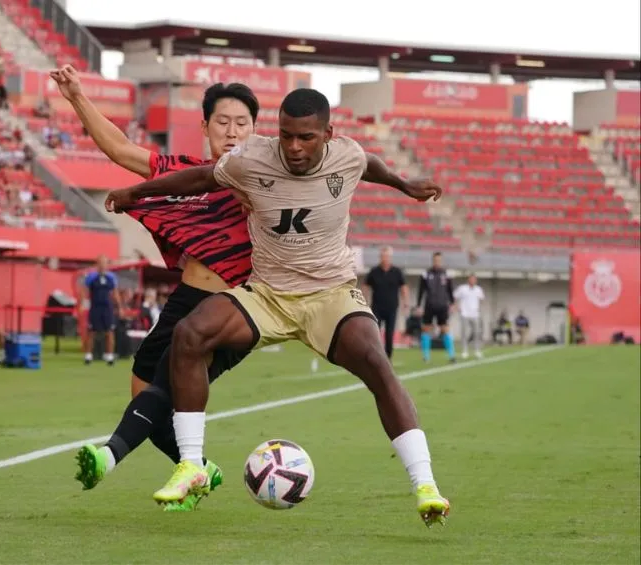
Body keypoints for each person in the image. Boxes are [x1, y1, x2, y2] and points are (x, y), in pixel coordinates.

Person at [105, 88, 450, 526]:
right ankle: (191, 465)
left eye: (305, 138)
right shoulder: (253, 158)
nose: (293, 147)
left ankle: (425, 485)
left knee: (376, 363)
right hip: (267, 293)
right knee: (189, 335)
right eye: (286, 135)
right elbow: (198, 179)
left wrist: (404, 184)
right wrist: (138, 193)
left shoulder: (348, 156)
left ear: (328, 134)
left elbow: (370, 167)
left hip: (329, 293)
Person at [49, 64, 257, 510]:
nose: (232, 131)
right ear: (205, 126)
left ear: (256, 131)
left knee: (167, 383)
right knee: (144, 389)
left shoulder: (266, 182)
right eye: (223, 122)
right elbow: (122, 151)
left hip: (233, 308)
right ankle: (199, 466)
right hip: (185, 299)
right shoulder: (187, 173)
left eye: (243, 123)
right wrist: (77, 97)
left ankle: (110, 455)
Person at [362, 246, 408, 359]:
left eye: (387, 256)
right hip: (377, 307)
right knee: (375, 332)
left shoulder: (397, 272)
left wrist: (405, 302)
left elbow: (404, 288)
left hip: (392, 308)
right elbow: (365, 286)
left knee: (389, 333)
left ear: (390, 257)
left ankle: (388, 357)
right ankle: (376, 355)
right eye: (383, 256)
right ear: (380, 257)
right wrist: (364, 301)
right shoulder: (374, 271)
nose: (385, 258)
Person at [81, 255, 120, 366]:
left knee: (109, 332)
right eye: (100, 263)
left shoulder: (112, 277)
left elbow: (115, 293)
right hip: (95, 308)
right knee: (91, 332)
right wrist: (83, 304)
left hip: (107, 308)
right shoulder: (91, 277)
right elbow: (85, 291)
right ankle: (88, 356)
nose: (102, 265)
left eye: (105, 263)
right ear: (97, 264)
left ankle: (109, 357)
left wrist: (119, 306)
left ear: (107, 265)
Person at [417, 252, 456, 363]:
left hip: (442, 305)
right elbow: (421, 291)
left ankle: (452, 355)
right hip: (429, 305)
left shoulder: (446, 274)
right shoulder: (426, 274)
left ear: (441, 261)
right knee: (426, 329)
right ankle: (426, 356)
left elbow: (450, 290)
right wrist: (419, 305)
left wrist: (452, 303)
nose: (437, 262)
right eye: (435, 260)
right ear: (432, 260)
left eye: (439, 260)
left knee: (445, 329)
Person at [453, 273, 485, 359]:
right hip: (464, 313)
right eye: (471, 279)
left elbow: (482, 299)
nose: (472, 281)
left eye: (474, 279)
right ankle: (465, 351)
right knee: (464, 333)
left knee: (477, 333)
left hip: (475, 314)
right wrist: (456, 306)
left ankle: (477, 350)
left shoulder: (478, 289)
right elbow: (455, 296)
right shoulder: (462, 288)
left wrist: (478, 307)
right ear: (468, 280)